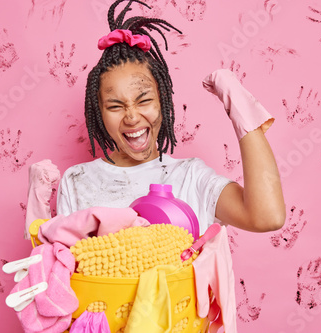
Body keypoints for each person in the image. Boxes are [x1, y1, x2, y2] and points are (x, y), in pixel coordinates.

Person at [56, 0, 286, 234]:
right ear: (99, 113)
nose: (132, 117)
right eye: (115, 107)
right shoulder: (77, 181)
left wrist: (238, 105)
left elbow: (268, 217)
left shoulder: (191, 177)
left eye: (144, 101)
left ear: (162, 100)